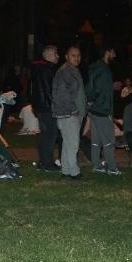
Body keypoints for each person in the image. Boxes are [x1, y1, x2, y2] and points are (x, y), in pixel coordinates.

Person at [52, 46, 86, 179]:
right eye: (73, 55)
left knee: (67, 143)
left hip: (72, 112)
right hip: (68, 113)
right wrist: (73, 109)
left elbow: (77, 92)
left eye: (78, 55)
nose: (77, 58)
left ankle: (66, 170)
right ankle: (74, 172)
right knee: (73, 144)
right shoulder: (65, 71)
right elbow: (61, 95)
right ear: (66, 56)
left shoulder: (73, 70)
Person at [86, 45, 121, 175]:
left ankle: (97, 165)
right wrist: (105, 108)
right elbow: (98, 89)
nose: (115, 55)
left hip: (94, 110)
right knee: (109, 140)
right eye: (113, 52)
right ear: (107, 52)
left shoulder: (95, 67)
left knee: (96, 140)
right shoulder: (104, 69)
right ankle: (112, 168)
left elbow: (94, 87)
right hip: (102, 109)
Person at [30, 44, 61, 172]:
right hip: (48, 107)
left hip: (40, 106)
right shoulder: (48, 69)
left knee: (44, 135)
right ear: (48, 55)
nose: (58, 56)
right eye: (56, 54)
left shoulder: (37, 68)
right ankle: (48, 164)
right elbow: (50, 90)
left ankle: (43, 162)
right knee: (51, 134)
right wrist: (56, 105)